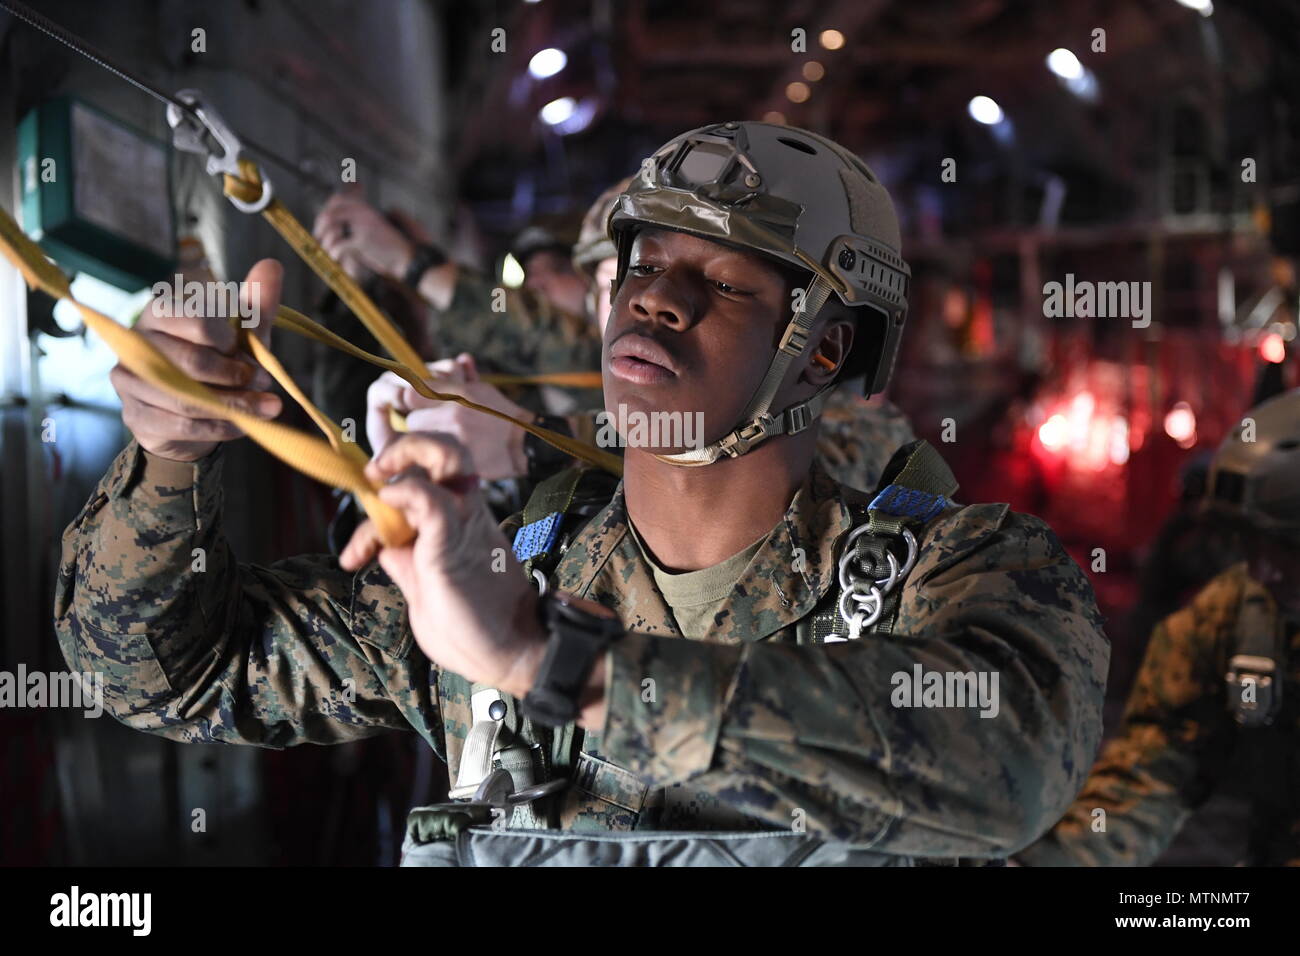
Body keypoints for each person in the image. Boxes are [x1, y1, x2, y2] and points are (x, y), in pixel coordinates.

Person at [55, 121, 1107, 866]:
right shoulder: (496, 563)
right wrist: (172, 454)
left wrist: (544, 660)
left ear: (826, 348)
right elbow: (166, 674)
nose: (657, 292)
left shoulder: (953, 569)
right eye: (646, 261)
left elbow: (1009, 764)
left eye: (726, 280)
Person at [369, 176, 918, 493]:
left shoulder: (853, 422)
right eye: (635, 272)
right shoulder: (609, 374)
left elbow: (801, 453)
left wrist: (527, 439)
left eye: (722, 283)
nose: (649, 301)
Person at [1016, 388, 1300, 866]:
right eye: (1249, 543)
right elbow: (1154, 770)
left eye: (1290, 548)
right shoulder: (1235, 616)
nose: (1262, 571)